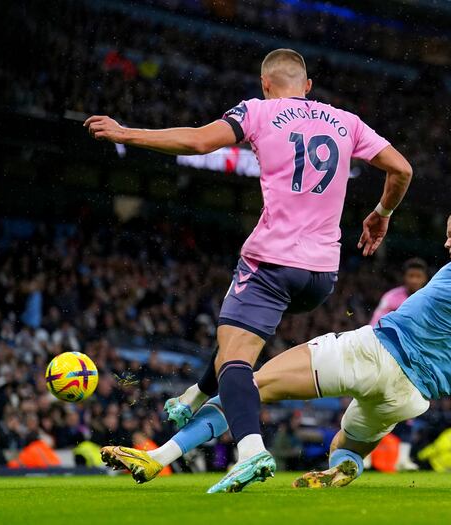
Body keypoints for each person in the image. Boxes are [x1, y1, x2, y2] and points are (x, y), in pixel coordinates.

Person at [86, 48, 413, 491]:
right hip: (320, 276)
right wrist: (382, 212)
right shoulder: (346, 121)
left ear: (265, 84)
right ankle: (192, 399)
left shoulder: (258, 112)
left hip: (272, 260)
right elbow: (401, 168)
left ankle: (250, 450)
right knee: (233, 332)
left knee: (236, 358)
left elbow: (199, 141)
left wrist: (126, 133)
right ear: (308, 86)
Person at [101, 202, 451, 492]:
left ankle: (158, 456)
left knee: (249, 384)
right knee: (343, 447)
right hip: (409, 397)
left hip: (375, 353)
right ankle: (342, 471)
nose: (447, 244)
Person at [368, 257, 429, 470]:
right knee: (377, 402)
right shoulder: (393, 297)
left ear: (424, 279)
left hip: (414, 360)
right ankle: (367, 455)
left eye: (418, 276)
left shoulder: (430, 298)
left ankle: (403, 458)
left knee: (409, 404)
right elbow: (375, 323)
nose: (414, 280)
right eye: (410, 275)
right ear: (405, 277)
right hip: (389, 356)